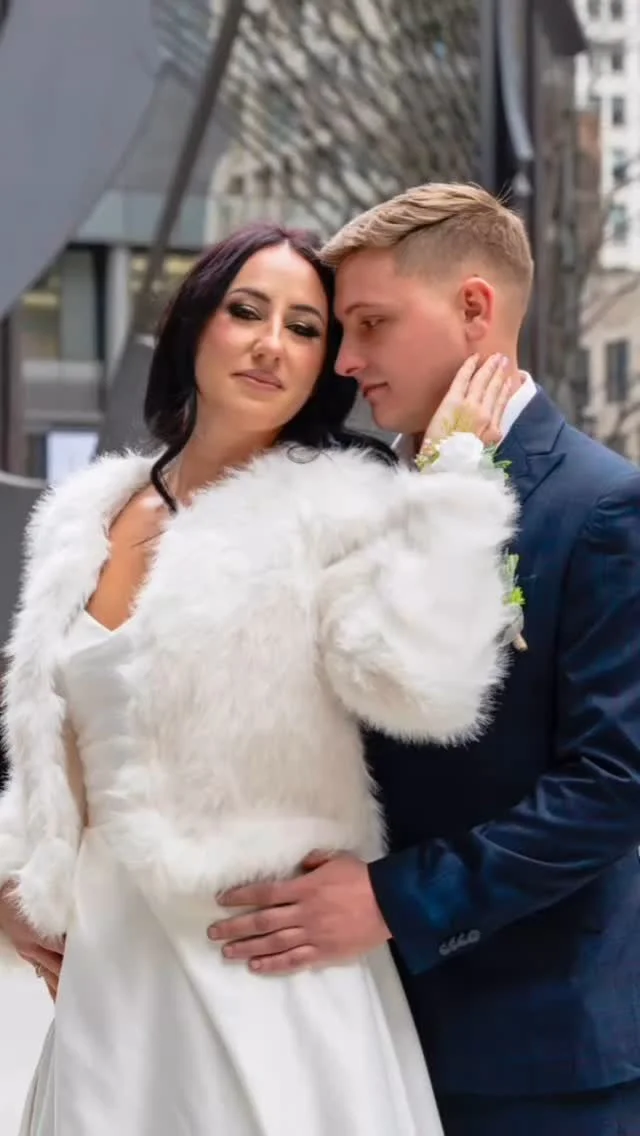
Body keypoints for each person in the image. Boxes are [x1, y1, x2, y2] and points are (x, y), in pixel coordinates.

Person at [0, 222, 517, 1135]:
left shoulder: (341, 507)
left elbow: (425, 687)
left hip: (268, 956)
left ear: (324, 364)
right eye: (246, 311)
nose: (272, 344)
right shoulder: (85, 514)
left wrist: (456, 483)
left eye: (306, 328)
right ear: (195, 322)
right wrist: (14, 885)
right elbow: (50, 745)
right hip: (110, 975)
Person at [215, 185, 640, 1136]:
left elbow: (614, 787)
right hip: (343, 1033)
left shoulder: (602, 505)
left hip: (536, 1056)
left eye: (370, 324)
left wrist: (393, 902)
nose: (347, 359)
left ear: (475, 309)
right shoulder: (355, 495)